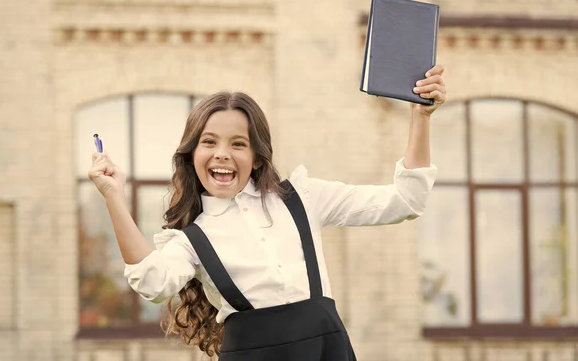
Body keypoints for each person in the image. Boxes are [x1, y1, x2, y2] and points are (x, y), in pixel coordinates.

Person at [88, 65, 447, 360]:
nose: (222, 154)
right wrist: (113, 197)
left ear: (258, 157)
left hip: (328, 351)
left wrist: (421, 116)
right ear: (191, 155)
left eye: (238, 144)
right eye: (209, 142)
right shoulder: (191, 240)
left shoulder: (302, 199)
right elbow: (151, 283)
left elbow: (405, 201)